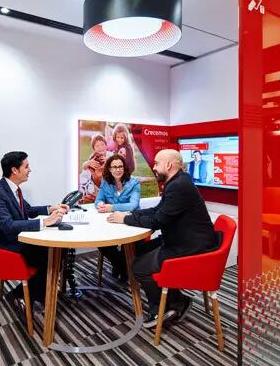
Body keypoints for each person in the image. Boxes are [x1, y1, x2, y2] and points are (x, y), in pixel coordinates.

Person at [107, 149, 219, 328]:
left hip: (190, 246)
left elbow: (157, 221)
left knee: (138, 267)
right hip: (184, 238)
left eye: (157, 163)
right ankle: (175, 300)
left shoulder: (178, 186)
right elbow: (158, 210)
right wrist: (130, 214)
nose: (154, 167)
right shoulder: (178, 181)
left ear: (168, 165)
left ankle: (169, 306)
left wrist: (125, 219)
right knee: (137, 250)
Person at [0, 151, 68, 311]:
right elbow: (7, 226)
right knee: (50, 255)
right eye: (26, 167)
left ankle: (37, 293)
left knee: (57, 251)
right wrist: (44, 222)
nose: (30, 170)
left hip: (12, 238)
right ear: (14, 170)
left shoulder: (12, 189)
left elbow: (28, 210)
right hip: (0, 245)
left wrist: (51, 208)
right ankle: (18, 294)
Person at [95, 154, 141, 282]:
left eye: (120, 166)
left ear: (124, 168)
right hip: (113, 222)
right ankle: (121, 266)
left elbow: (133, 205)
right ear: (109, 169)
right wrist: (100, 204)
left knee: (130, 247)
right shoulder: (105, 182)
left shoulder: (134, 182)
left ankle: (121, 268)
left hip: (131, 222)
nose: (118, 169)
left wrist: (112, 207)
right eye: (114, 167)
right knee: (102, 243)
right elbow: (98, 200)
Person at [79, 134, 112, 202]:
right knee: (82, 178)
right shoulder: (93, 157)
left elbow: (116, 165)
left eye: (102, 144)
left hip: (105, 181)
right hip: (93, 180)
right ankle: (85, 191)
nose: (100, 147)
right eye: (97, 146)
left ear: (106, 145)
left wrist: (108, 161)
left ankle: (96, 193)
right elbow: (84, 167)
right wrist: (88, 163)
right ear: (94, 149)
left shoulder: (110, 155)